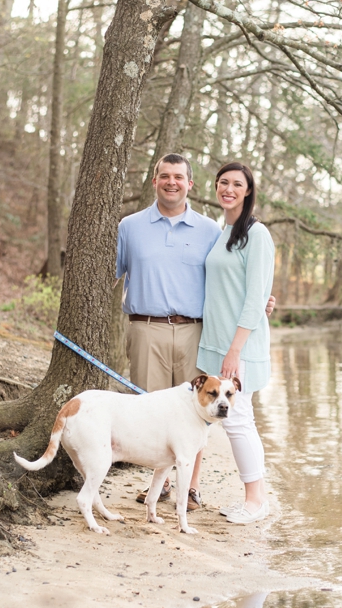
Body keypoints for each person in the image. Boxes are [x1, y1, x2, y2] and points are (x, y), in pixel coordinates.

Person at [115, 153, 273, 511]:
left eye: (179, 177)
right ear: (154, 181)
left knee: (197, 413)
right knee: (150, 408)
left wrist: (262, 301)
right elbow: (108, 273)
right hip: (147, 327)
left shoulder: (211, 231)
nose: (172, 182)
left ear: (190, 184)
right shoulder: (131, 226)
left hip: (197, 333)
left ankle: (194, 486)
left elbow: (244, 282)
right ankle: (162, 483)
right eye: (165, 176)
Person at [197, 161, 274, 524]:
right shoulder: (217, 230)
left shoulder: (256, 234)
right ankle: (254, 497)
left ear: (248, 191)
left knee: (238, 421)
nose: (228, 189)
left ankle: (256, 501)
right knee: (234, 421)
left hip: (238, 347)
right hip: (214, 343)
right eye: (223, 183)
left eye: (236, 184)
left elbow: (256, 297)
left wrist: (235, 349)